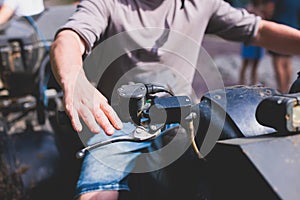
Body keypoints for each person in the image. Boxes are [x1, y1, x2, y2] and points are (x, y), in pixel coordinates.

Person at [50, 0, 300, 199]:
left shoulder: (199, 3)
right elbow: (70, 37)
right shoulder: (108, 3)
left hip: (187, 117)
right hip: (119, 122)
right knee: (98, 193)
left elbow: (260, 31)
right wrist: (75, 79)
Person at [269, 0, 300, 93]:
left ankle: (282, 90)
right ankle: (287, 88)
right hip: (293, 29)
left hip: (278, 29)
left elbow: (269, 10)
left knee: (278, 62)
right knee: (287, 62)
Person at [239, 0, 269, 85]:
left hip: (257, 40)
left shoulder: (263, 9)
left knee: (255, 65)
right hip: (249, 38)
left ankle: (253, 83)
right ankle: (242, 83)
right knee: (245, 63)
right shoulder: (249, 8)